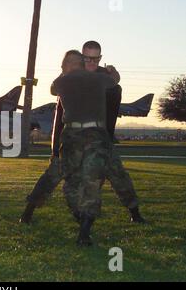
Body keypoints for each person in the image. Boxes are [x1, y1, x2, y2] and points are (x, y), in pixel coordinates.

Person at [20, 41, 145, 225]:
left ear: (100, 58)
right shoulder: (69, 77)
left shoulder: (103, 77)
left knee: (118, 174)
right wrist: (55, 147)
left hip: (101, 137)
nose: (91, 62)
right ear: (81, 58)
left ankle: (134, 212)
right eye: (87, 58)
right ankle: (29, 210)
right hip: (70, 136)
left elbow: (114, 97)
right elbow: (59, 110)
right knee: (54, 174)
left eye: (95, 59)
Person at [51, 50, 115, 245]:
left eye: (63, 66)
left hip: (72, 136)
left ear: (68, 65)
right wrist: (111, 71)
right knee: (91, 183)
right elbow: (114, 81)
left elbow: (53, 88)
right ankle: (85, 229)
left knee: (71, 184)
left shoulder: (62, 82)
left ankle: (84, 225)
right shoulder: (100, 79)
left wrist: (67, 72)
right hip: (95, 135)